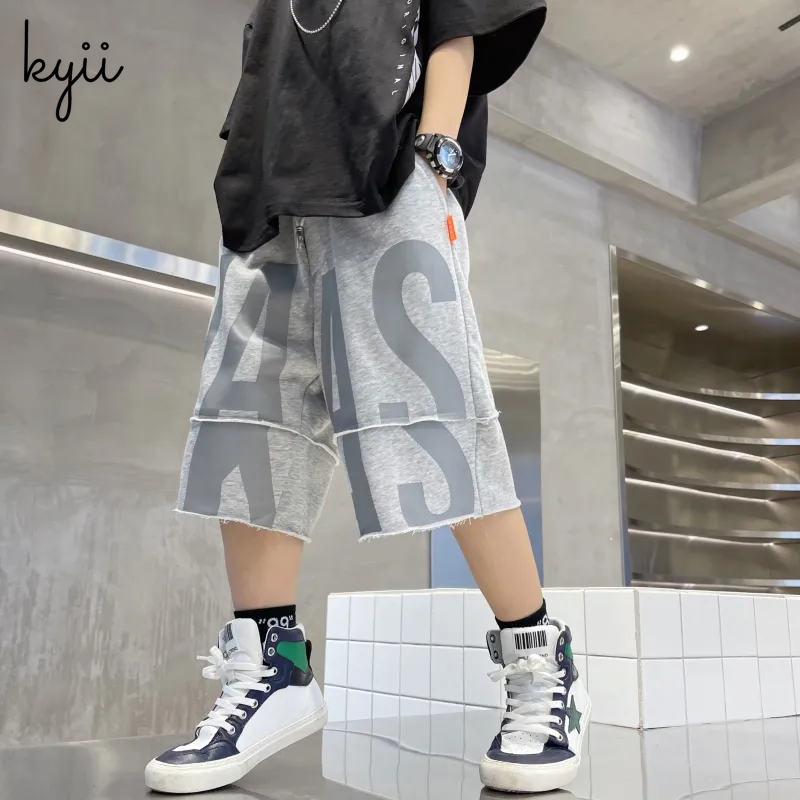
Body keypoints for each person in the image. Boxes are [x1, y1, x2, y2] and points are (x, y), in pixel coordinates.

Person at [144, 0, 590, 794]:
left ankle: (538, 658)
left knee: (435, 413)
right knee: (250, 421)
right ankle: (273, 666)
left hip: (391, 169)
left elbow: (461, 18)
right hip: (270, 188)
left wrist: (437, 157)